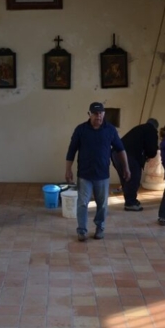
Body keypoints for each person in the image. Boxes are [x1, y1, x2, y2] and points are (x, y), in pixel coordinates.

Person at [65, 102, 130, 242]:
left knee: (102, 205)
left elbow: (120, 149)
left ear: (104, 114)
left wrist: (126, 167)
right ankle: (82, 231)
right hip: (84, 175)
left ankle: (100, 228)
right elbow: (71, 151)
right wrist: (68, 169)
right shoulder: (81, 130)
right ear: (89, 114)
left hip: (102, 176)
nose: (98, 116)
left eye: (101, 113)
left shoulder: (110, 130)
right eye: (95, 113)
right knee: (82, 203)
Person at [111, 118, 159, 211]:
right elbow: (152, 150)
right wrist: (148, 155)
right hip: (128, 155)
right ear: (155, 127)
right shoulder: (151, 130)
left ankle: (130, 201)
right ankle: (131, 203)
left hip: (115, 153)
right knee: (134, 178)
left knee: (125, 178)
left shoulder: (139, 128)